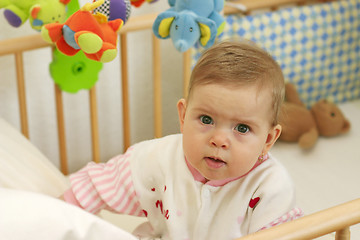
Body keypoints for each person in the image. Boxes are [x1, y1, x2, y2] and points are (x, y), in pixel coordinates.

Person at [61, 40, 303, 239]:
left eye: (242, 128)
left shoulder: (270, 186)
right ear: (184, 115)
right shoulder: (161, 157)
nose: (219, 140)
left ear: (268, 140)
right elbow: (98, 186)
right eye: (206, 120)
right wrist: (54, 214)